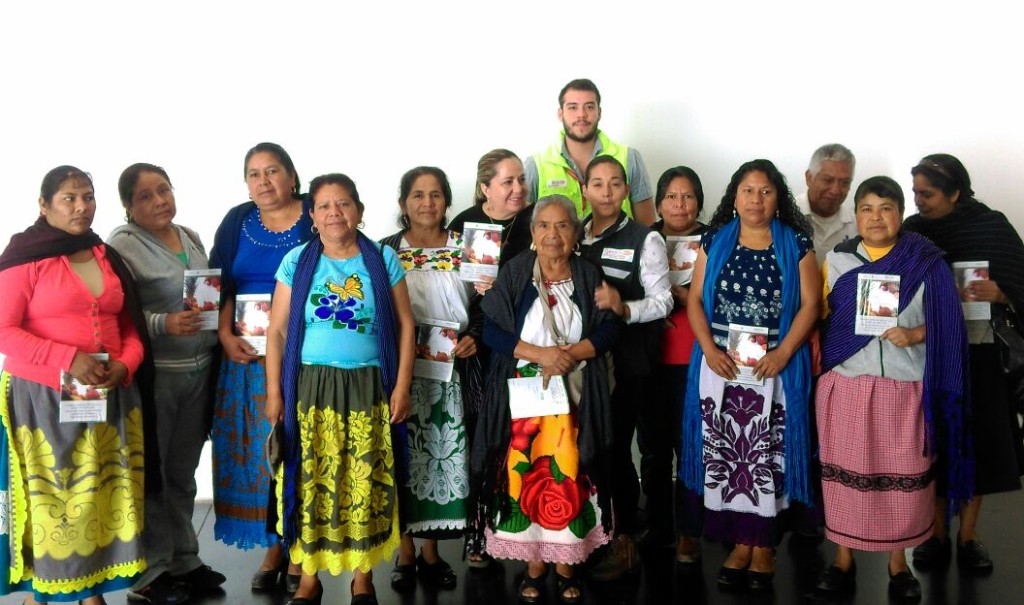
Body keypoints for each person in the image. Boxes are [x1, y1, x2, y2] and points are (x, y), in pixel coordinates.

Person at [0, 166, 154, 605]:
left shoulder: (103, 254)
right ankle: (45, 589)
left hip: (108, 394)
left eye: (88, 196)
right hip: (43, 396)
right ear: (44, 204)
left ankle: (91, 590)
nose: (82, 206)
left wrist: (125, 366)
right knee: (56, 496)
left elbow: (128, 325)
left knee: (100, 495)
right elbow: (3, 329)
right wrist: (68, 358)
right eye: (69, 198)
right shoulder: (24, 257)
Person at [814, 176, 972, 600]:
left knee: (904, 478)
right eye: (866, 208)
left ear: (901, 214)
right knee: (843, 477)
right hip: (847, 383)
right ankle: (842, 560)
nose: (876, 217)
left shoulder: (925, 262)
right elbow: (820, 321)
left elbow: (950, 324)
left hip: (904, 388)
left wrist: (915, 333)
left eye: (886, 207)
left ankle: (898, 564)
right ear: (857, 215)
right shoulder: (838, 260)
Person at [265, 172, 415, 605]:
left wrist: (401, 386)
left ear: (360, 212)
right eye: (325, 205)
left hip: (370, 384)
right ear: (312, 215)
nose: (335, 213)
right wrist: (275, 392)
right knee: (312, 479)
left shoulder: (383, 259)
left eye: (344, 203)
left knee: (364, 480)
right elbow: (276, 333)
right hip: (310, 386)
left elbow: (406, 325)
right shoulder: (297, 261)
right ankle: (309, 577)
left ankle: (362, 578)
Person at [471, 195, 619, 604]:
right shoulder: (516, 272)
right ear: (533, 234)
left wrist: (568, 356)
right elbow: (493, 333)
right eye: (543, 226)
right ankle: (534, 564)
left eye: (563, 226)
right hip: (525, 400)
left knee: (570, 476)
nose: (553, 235)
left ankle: (567, 561)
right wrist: (542, 356)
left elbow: (609, 332)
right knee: (524, 478)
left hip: (575, 399)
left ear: (576, 233)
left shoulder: (589, 275)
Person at [681, 159, 821, 591]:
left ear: (778, 197)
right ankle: (741, 543)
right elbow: (695, 303)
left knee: (768, 456)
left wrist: (782, 354)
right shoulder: (714, 239)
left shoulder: (796, 242)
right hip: (721, 365)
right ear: (734, 196)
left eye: (765, 191)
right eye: (748, 190)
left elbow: (811, 306)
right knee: (727, 455)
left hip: (773, 368)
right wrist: (707, 348)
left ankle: (765, 547)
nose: (756, 199)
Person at [108, 163, 226, 604]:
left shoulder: (190, 235)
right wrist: (162, 323)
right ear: (129, 206)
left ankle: (184, 558)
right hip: (155, 378)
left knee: (181, 473)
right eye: (145, 196)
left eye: (164, 190)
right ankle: (148, 571)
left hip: (198, 371)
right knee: (150, 476)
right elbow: (119, 313)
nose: (159, 201)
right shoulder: (121, 246)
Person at [903, 153, 1024, 572]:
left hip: (981, 354)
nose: (918, 200)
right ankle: (933, 535)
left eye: (928, 193)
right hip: (930, 354)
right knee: (933, 444)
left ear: (955, 192)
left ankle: (969, 536)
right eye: (915, 191)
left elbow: (1019, 281)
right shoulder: (913, 231)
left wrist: (1002, 294)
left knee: (981, 445)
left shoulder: (992, 226)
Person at [209, 142, 313, 591]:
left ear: (292, 176)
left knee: (303, 448)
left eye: (273, 171)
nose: (264, 182)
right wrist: (223, 334)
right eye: (254, 174)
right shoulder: (237, 221)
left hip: (304, 354)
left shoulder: (316, 213)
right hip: (246, 359)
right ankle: (275, 544)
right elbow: (219, 283)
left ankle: (301, 550)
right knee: (260, 454)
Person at [380, 167, 480, 591]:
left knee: (441, 462)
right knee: (403, 458)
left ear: (447, 201)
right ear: (403, 203)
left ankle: (431, 552)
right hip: (402, 375)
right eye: (417, 194)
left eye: (435, 194)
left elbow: (488, 304)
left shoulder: (469, 249)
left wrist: (475, 334)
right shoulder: (384, 251)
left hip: (452, 374)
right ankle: (404, 552)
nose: (427, 202)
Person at [577, 156, 672, 580]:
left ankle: (627, 541)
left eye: (616, 183)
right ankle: (594, 536)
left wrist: (624, 307)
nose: (608, 191)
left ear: (626, 190)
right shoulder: (572, 233)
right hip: (584, 360)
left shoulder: (645, 238)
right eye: (598, 184)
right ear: (584, 190)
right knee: (590, 450)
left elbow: (664, 301)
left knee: (617, 451)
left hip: (630, 361)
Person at [651, 166, 709, 566]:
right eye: (671, 196)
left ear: (699, 203)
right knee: (654, 452)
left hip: (699, 360)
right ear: (657, 203)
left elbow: (719, 299)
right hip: (652, 361)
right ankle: (657, 529)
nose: (679, 204)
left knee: (694, 449)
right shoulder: (643, 239)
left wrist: (681, 295)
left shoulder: (715, 240)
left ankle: (691, 531)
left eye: (687, 196)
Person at [523, 78, 655, 225]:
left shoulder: (630, 158)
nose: (582, 115)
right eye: (573, 107)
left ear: (599, 112)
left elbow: (647, 226)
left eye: (589, 107)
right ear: (560, 114)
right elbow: (524, 229)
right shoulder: (535, 165)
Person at [449, 148, 534, 273]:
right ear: (486, 189)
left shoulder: (542, 218)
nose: (518, 189)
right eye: (508, 182)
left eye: (522, 179)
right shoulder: (464, 222)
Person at [795, 144, 857, 265]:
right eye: (827, 180)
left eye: (844, 183)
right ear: (809, 178)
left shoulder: (858, 225)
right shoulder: (785, 217)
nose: (835, 190)